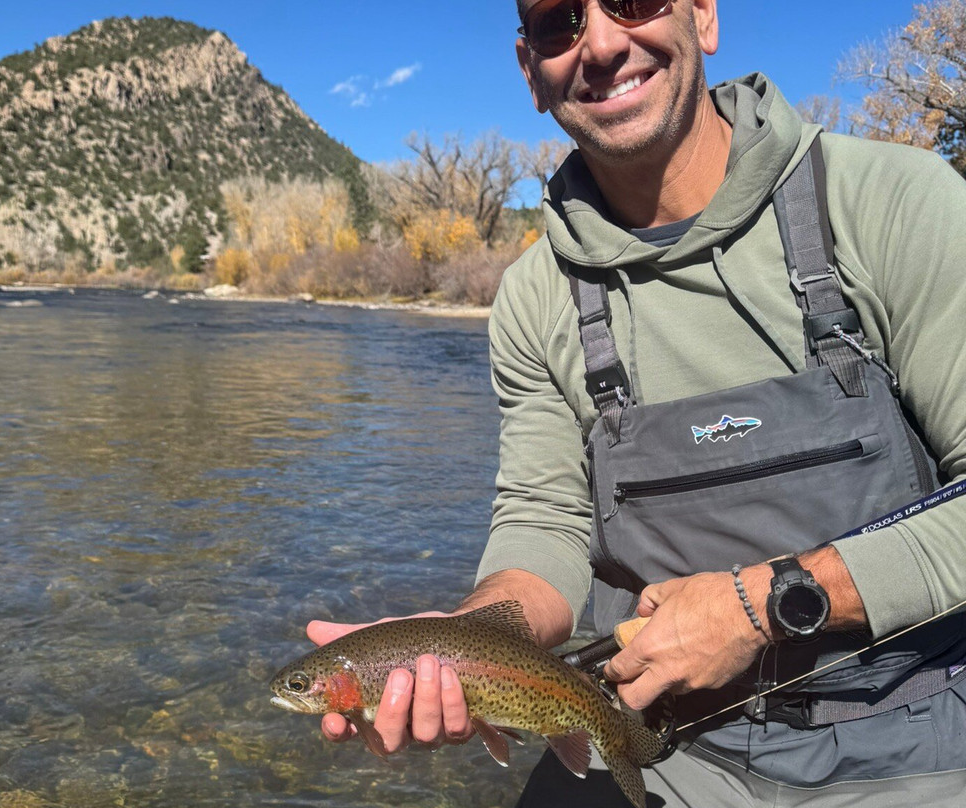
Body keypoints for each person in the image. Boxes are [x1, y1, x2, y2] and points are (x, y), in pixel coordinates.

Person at [307, 1, 966, 805]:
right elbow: (544, 522)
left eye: (634, 0)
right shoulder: (535, 297)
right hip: (656, 746)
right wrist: (458, 645)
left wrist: (764, 604)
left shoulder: (896, 204)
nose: (605, 44)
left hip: (920, 744)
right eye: (560, 21)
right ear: (532, 73)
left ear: (704, 17)